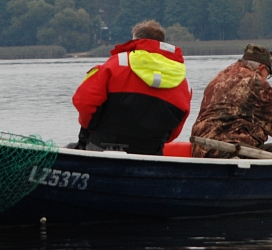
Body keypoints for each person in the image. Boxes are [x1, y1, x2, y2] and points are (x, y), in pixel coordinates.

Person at [70, 20, 192, 155]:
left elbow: (84, 101)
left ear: (136, 40)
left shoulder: (116, 64)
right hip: (151, 153)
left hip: (103, 148)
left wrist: (90, 127)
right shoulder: (181, 80)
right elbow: (177, 126)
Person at [191, 44, 272, 158]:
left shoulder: (220, 76)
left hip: (200, 148)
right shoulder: (256, 82)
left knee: (267, 148)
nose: (265, 78)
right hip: (226, 149)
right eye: (267, 75)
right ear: (262, 68)